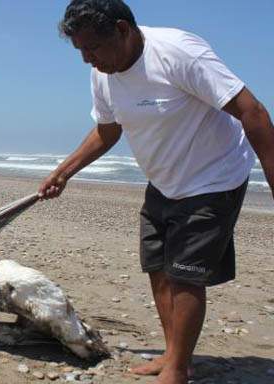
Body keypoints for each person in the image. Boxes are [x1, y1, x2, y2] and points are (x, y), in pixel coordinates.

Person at [37, 1, 274, 383]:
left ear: (122, 30)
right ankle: (173, 356)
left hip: (214, 177)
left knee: (185, 275)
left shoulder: (179, 53)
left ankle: (178, 370)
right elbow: (108, 130)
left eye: (93, 48)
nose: (87, 59)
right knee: (159, 268)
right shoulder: (103, 71)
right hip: (164, 178)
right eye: (80, 51)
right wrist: (63, 172)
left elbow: (254, 112)